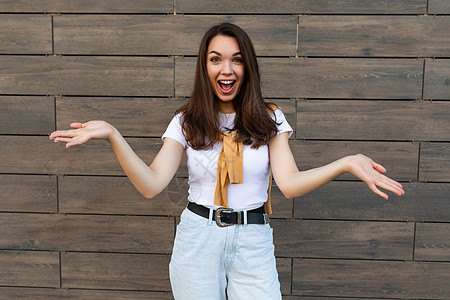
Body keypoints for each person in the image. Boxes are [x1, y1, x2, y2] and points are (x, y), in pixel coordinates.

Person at [49, 23, 404, 300]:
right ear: (205, 66)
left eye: (236, 59)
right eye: (216, 58)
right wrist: (113, 135)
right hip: (198, 238)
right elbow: (151, 184)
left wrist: (345, 162)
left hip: (253, 238)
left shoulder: (269, 118)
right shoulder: (187, 121)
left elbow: (290, 184)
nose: (226, 68)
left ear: (246, 66)